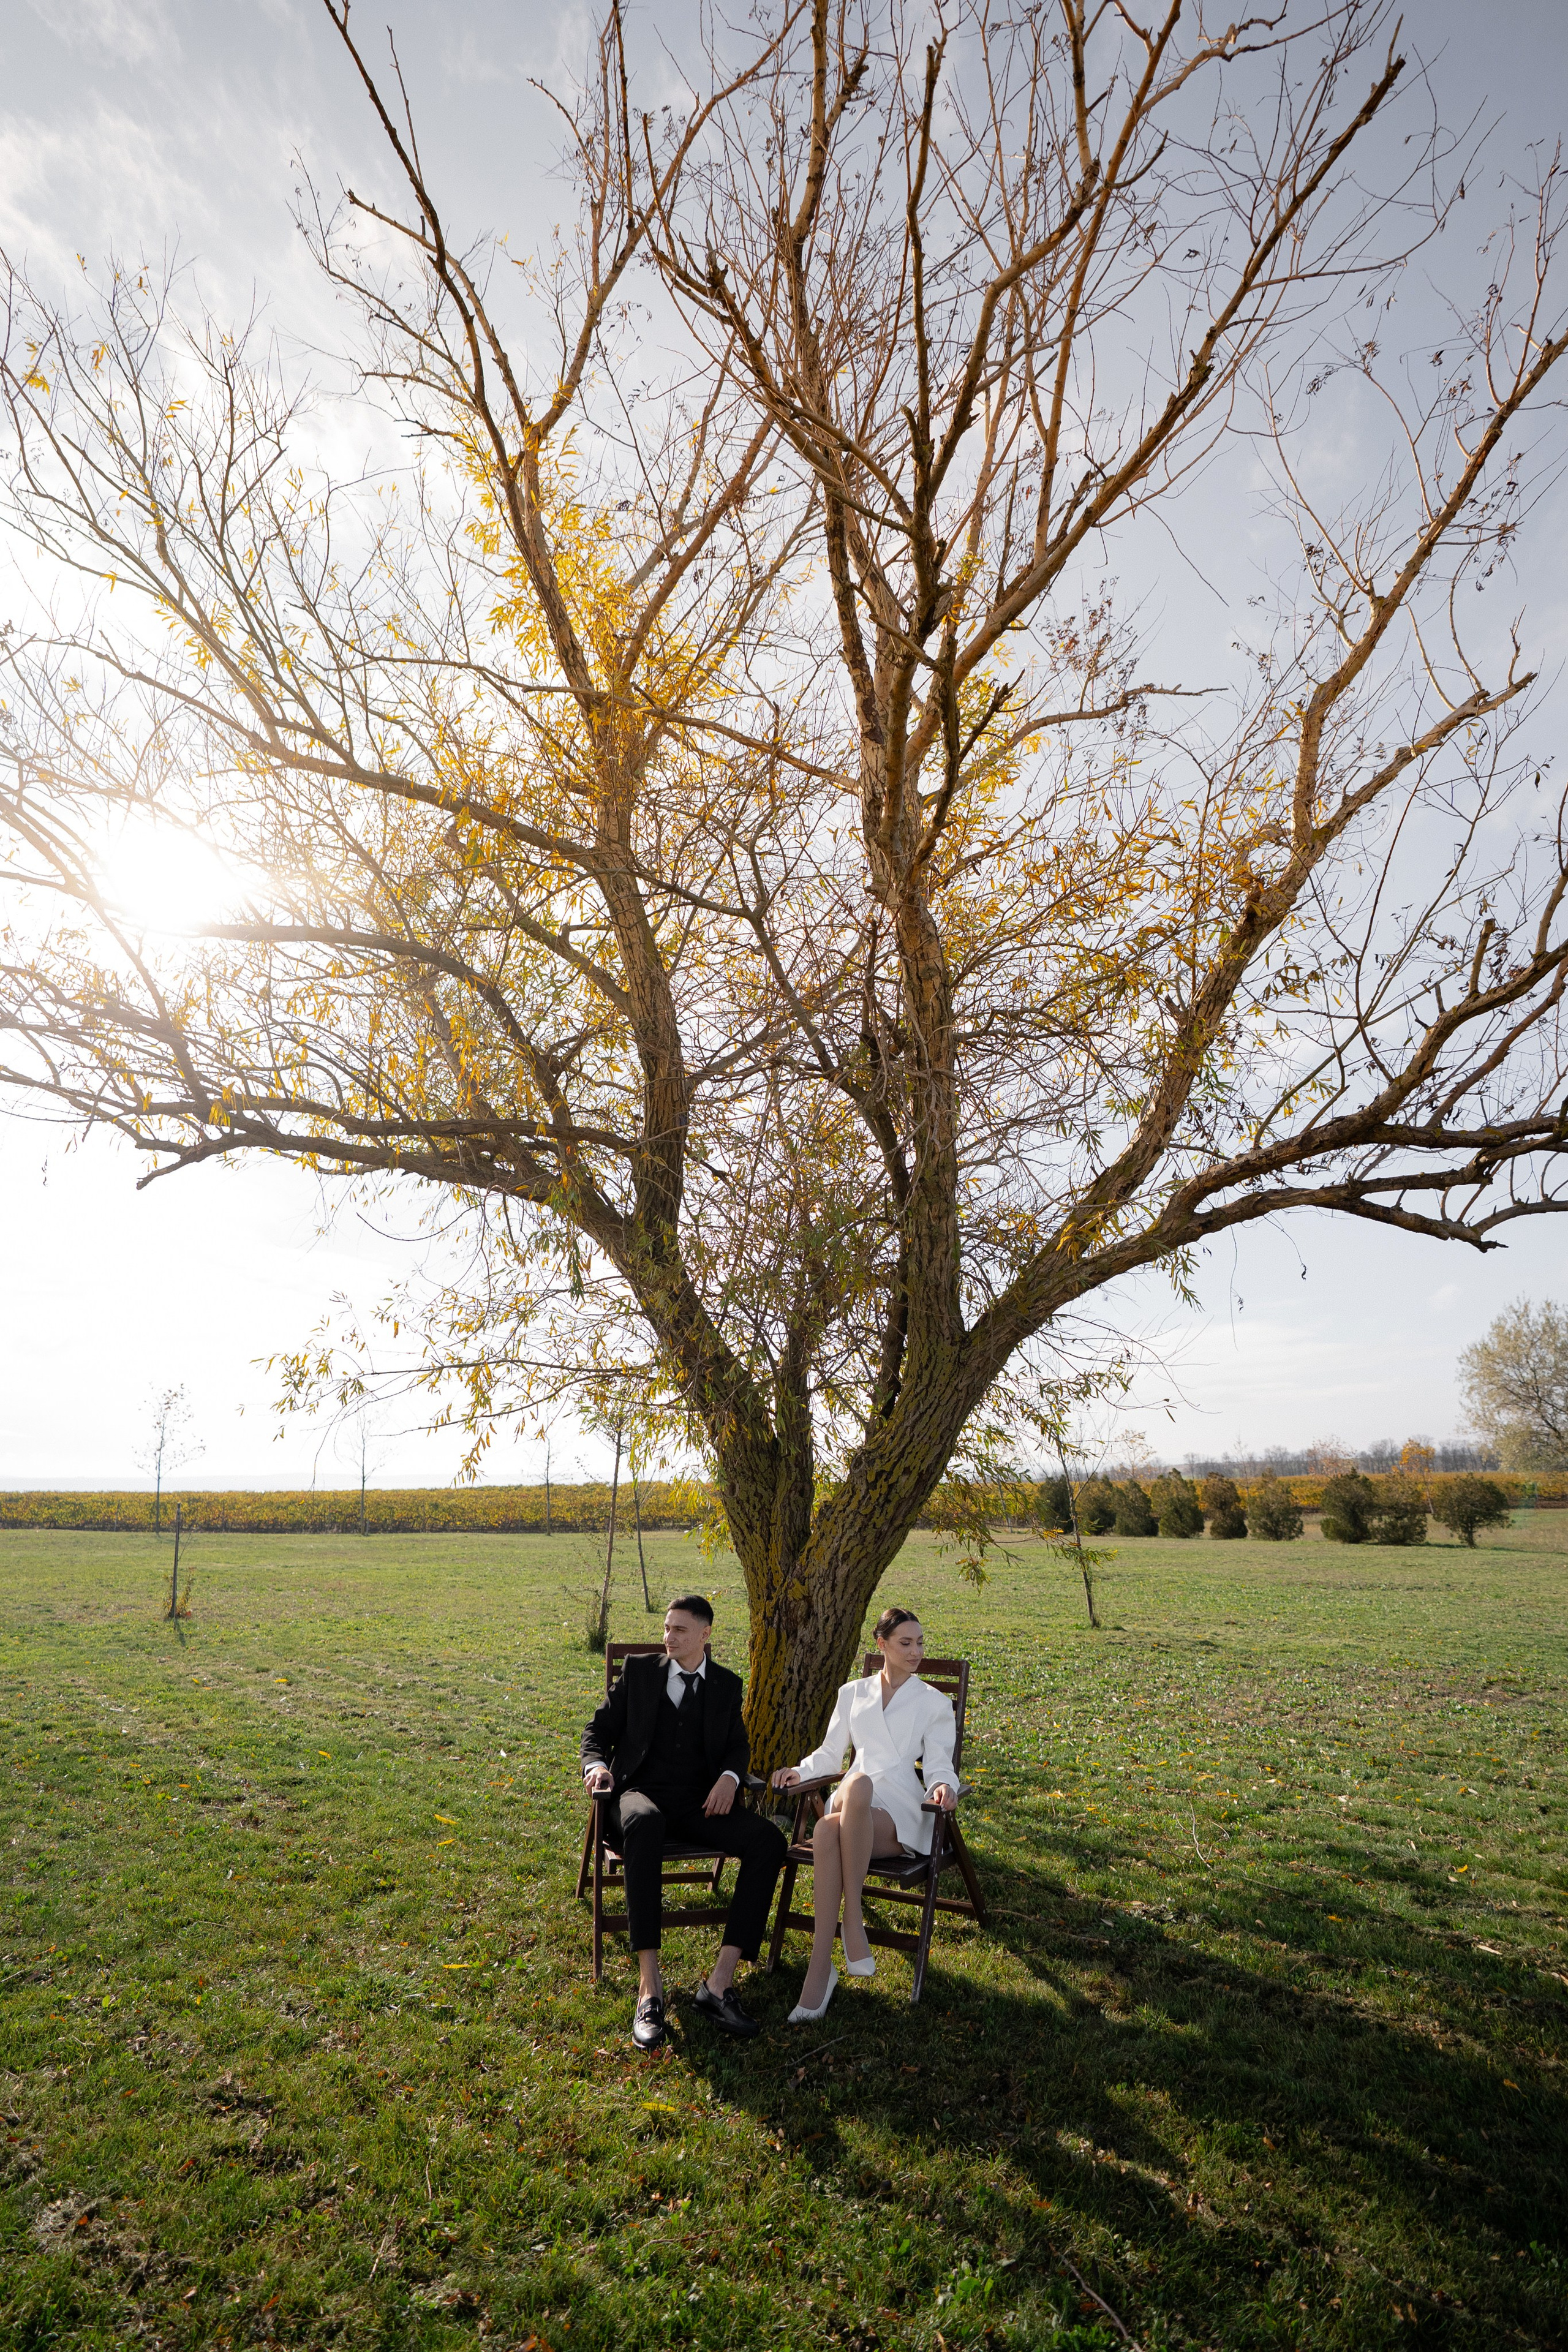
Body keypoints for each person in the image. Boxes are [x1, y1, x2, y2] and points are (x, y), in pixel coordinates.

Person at [582, 1593, 786, 2051]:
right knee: (647, 1824)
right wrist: (596, 1766)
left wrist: (732, 1778)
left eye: (679, 1630)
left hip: (699, 1805)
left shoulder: (726, 1686)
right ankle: (649, 1990)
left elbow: (737, 1746)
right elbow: (597, 1732)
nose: (668, 1637)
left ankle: (719, 1984)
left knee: (768, 1841)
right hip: (638, 1795)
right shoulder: (638, 1673)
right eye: (667, 1629)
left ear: (705, 1635)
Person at [771, 1606, 958, 2022]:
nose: (916, 1652)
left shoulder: (933, 1702)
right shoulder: (852, 1693)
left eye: (920, 1643)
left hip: (900, 1810)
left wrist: (944, 1785)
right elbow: (828, 1754)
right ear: (882, 1644)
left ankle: (837, 1941)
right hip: (854, 1802)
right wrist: (799, 1772)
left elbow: (941, 1763)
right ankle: (835, 1948)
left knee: (834, 1816)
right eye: (905, 1643)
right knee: (843, 1803)